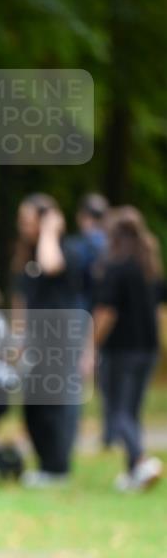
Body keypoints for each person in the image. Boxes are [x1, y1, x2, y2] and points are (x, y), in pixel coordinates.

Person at [11, 193, 85, 486]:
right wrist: (18, 338)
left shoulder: (66, 249)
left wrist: (51, 230)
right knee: (33, 403)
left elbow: (51, 264)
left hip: (61, 335)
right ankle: (44, 464)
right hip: (37, 337)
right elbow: (21, 298)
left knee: (56, 402)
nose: (22, 227)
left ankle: (58, 468)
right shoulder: (26, 255)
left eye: (28, 220)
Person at [93, 206, 165, 491]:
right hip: (148, 349)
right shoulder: (150, 269)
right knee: (131, 411)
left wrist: (91, 345)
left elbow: (106, 312)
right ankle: (134, 471)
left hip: (121, 349)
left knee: (117, 410)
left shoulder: (116, 267)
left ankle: (140, 461)